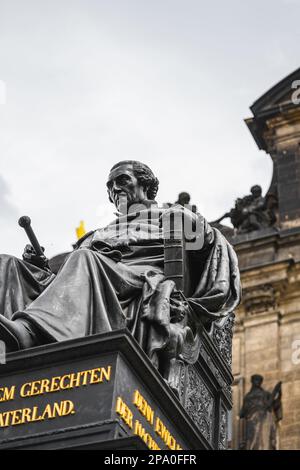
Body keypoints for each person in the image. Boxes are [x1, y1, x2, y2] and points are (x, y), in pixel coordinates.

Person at [0, 161, 240, 378]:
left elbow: (210, 246)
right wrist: (38, 268)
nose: (115, 188)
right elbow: (64, 286)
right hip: (97, 278)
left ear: (145, 185)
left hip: (137, 281)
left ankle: (29, 333)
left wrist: (191, 221)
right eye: (110, 185)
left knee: (85, 259)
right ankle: (8, 346)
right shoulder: (96, 234)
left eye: (122, 180)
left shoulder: (169, 215)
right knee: (8, 265)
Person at [239, 375, 282, 450]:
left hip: (264, 419)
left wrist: (279, 395)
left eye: (259, 380)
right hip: (251, 421)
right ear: (252, 381)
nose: (258, 382)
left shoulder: (266, 394)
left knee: (264, 439)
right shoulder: (247, 397)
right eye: (256, 380)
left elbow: (275, 404)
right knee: (252, 441)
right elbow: (242, 413)